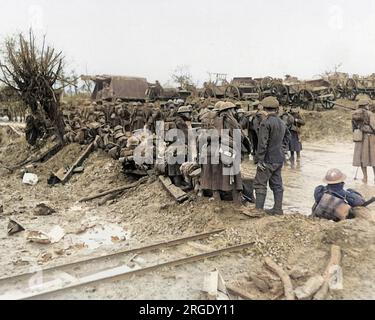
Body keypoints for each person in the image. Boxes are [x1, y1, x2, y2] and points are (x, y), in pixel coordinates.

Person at [254, 97, 290, 215]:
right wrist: (283, 149)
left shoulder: (266, 122)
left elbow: (262, 143)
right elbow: (287, 138)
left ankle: (258, 210)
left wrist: (260, 160)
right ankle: (278, 209)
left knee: (260, 183)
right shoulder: (282, 122)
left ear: (264, 108)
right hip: (278, 159)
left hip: (267, 159)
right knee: (277, 184)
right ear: (277, 109)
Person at [352, 99, 375, 183]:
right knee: (373, 158)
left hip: (360, 138)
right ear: (366, 105)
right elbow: (374, 126)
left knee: (361, 158)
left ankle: (365, 177)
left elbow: (353, 127)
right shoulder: (370, 114)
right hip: (370, 138)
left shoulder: (355, 114)